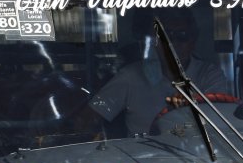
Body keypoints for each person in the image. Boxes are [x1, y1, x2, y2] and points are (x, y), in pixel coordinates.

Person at [89, 8, 232, 136]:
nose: (173, 43)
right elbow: (91, 117)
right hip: (140, 161)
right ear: (154, 42)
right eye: (166, 36)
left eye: (182, 36)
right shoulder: (130, 76)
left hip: (195, 158)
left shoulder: (209, 75)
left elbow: (214, 122)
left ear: (193, 40)